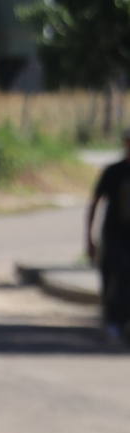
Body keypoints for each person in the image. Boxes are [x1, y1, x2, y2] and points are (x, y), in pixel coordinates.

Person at [86, 126, 130, 346]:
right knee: (112, 277)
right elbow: (94, 203)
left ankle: (121, 321)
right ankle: (112, 321)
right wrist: (89, 238)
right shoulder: (113, 172)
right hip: (113, 235)